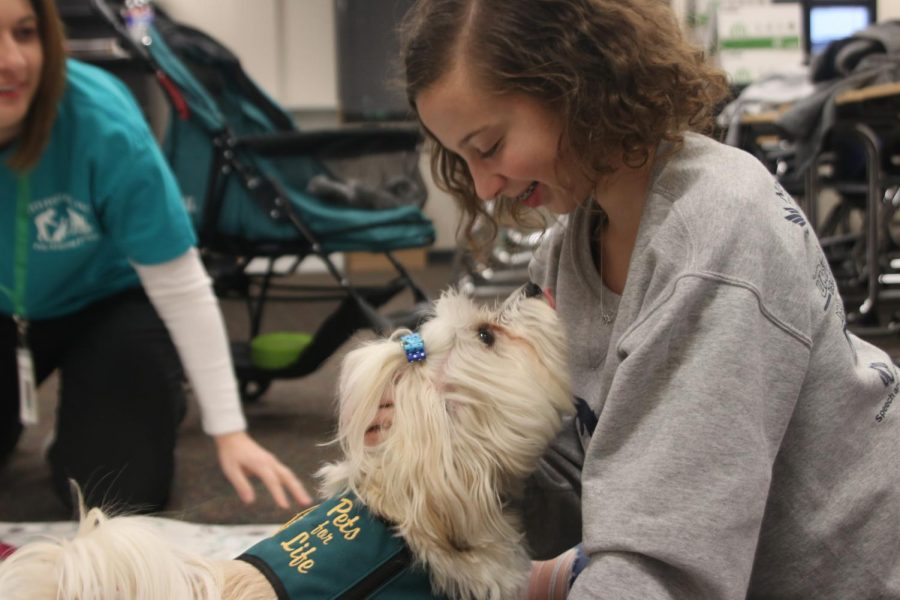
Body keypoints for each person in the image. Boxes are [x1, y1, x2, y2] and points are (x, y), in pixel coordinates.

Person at [399, 0, 900, 598]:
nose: (482, 185)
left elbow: (664, 568)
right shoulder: (571, 245)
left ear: (576, 87)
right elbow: (591, 457)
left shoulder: (715, 235)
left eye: (489, 146)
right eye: (461, 158)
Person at [0, 0, 311, 514]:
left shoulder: (99, 119)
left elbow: (181, 286)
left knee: (119, 501)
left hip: (103, 304)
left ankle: (141, 397)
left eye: (25, 33)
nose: (10, 61)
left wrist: (229, 430)